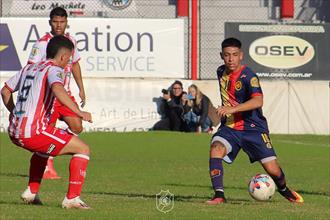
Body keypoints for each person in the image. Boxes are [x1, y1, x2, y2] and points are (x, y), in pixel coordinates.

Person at [206, 37, 304, 204]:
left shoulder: (248, 76)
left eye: (235, 55)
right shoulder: (220, 71)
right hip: (230, 128)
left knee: (274, 171)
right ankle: (219, 195)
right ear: (221, 55)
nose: (231, 59)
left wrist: (232, 109)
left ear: (241, 55)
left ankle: (284, 190)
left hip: (253, 129)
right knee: (216, 148)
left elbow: (258, 101)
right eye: (227, 55)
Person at [1, 36, 92, 209]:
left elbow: (5, 91)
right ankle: (72, 199)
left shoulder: (29, 68)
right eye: (69, 60)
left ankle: (31, 192)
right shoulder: (54, 69)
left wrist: (15, 113)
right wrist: (79, 112)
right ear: (64, 57)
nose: (68, 64)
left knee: (43, 150)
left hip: (14, 131)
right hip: (33, 133)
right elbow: (58, 89)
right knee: (83, 149)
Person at [28, 7, 86, 179]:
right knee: (47, 130)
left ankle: (52, 149)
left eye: (62, 22)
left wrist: (81, 88)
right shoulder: (42, 43)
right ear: (50, 22)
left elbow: (74, 64)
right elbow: (31, 68)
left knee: (77, 126)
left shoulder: (71, 41)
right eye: (55, 22)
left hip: (65, 95)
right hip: (48, 96)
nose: (58, 25)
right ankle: (47, 164)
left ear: (67, 22)